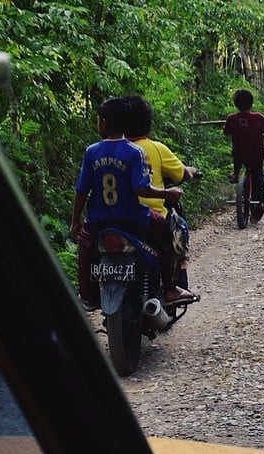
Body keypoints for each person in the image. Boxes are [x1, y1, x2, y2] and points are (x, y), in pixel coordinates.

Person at [70, 97, 195, 310]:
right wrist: (167, 193)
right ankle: (171, 289)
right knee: (168, 233)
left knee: (85, 250)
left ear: (104, 123)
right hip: (134, 219)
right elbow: (140, 189)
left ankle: (87, 295)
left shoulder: (91, 151)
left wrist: (75, 221)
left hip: (99, 221)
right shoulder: (134, 152)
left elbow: (82, 191)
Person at [124, 95, 200, 291]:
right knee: (178, 227)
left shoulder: (109, 149)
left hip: (113, 218)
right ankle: (172, 286)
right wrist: (190, 171)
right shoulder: (156, 149)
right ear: (148, 123)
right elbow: (181, 173)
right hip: (149, 217)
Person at [223, 88, 264, 223]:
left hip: (239, 153)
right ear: (251, 103)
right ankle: (260, 203)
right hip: (256, 154)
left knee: (237, 154)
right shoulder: (258, 117)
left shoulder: (231, 118)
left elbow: (226, 132)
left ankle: (235, 173)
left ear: (236, 104)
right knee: (258, 175)